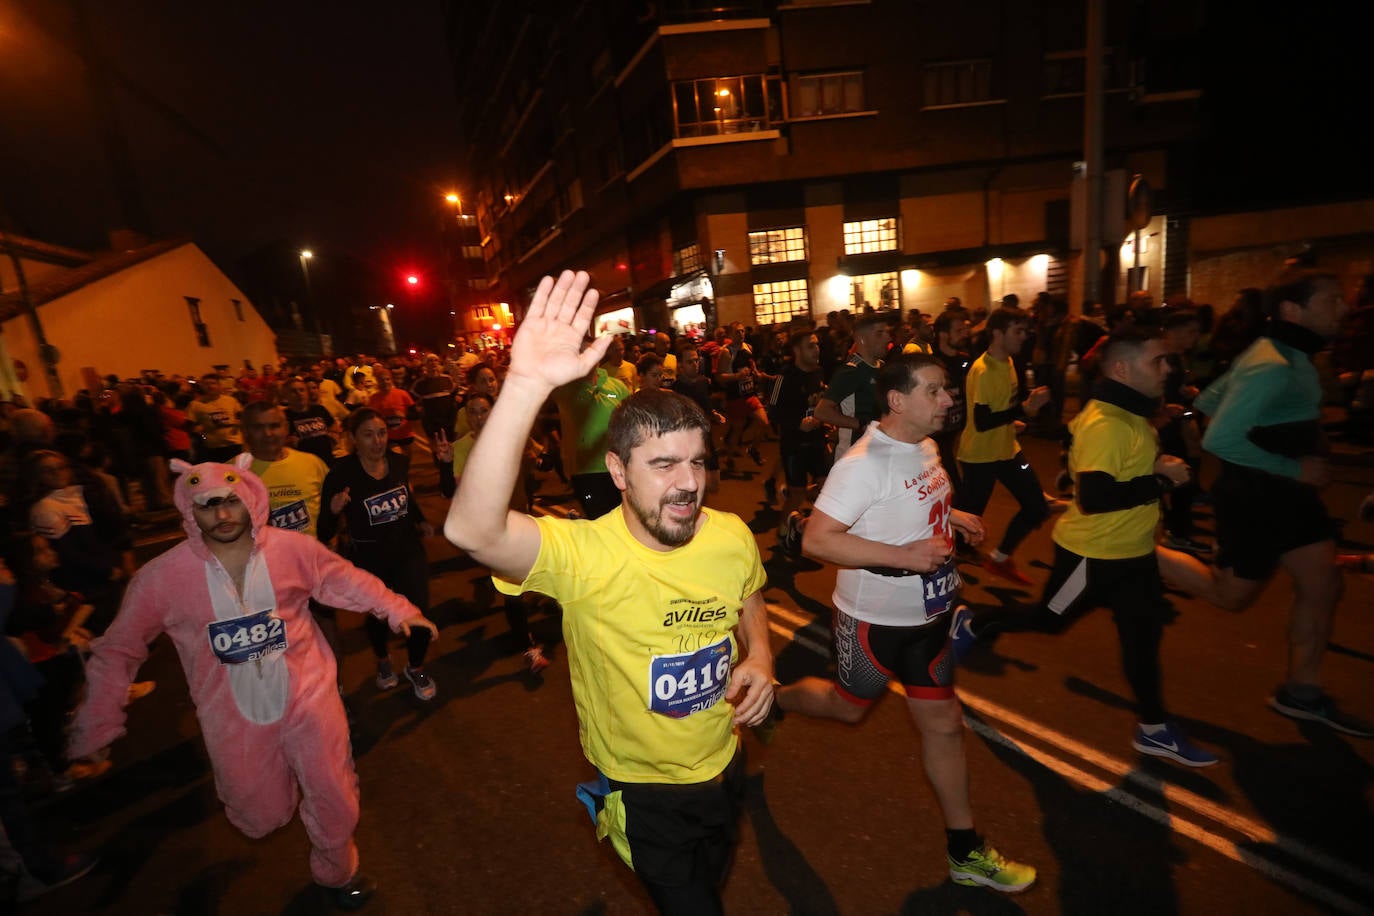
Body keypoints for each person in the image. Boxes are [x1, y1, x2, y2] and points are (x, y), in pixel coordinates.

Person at [444, 270, 774, 914]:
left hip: (727, 766)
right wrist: (525, 384)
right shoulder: (585, 554)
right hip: (643, 795)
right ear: (618, 471)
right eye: (662, 465)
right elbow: (470, 528)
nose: (686, 485)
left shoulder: (730, 534)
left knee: (714, 883)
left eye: (697, 462)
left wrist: (759, 655)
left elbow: (749, 596)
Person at [67, 460, 437, 910]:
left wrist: (399, 610)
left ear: (251, 498)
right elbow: (119, 649)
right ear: (189, 509)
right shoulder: (161, 579)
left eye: (230, 501)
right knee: (258, 814)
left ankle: (338, 872)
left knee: (335, 797)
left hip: (309, 697)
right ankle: (272, 806)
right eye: (208, 506)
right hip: (232, 718)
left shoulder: (293, 550)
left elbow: (342, 578)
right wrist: (97, 723)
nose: (222, 515)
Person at [776, 353, 1036, 894]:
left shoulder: (925, 446)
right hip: (874, 624)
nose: (949, 400)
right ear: (898, 401)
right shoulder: (863, 464)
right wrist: (902, 557)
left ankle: (965, 851)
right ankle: (773, 702)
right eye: (936, 391)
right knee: (847, 710)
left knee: (944, 725)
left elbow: (913, 504)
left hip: (932, 616)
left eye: (947, 390)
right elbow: (818, 539)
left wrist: (953, 515)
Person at [951, 328, 1219, 766]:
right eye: (1157, 361)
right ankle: (974, 624)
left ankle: (1153, 729)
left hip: (1134, 554)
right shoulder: (1107, 422)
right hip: (1091, 557)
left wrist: (1155, 462)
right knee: (1048, 620)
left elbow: (1123, 470)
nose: (1167, 368)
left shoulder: (1130, 415)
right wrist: (1161, 479)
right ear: (1122, 369)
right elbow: (1096, 498)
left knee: (1143, 637)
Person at [1157, 272, 1371, 736]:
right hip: (1257, 496)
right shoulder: (1272, 361)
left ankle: (1302, 692)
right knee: (1230, 595)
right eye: (1332, 300)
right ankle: (1136, 552)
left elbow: (1212, 396)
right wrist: (1297, 468)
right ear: (1294, 311)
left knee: (1324, 583)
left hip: (1289, 496)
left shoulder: (1282, 354)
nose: (1344, 308)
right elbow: (1222, 437)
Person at [318, 409, 438, 701]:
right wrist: (333, 512)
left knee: (418, 611)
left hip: (408, 551)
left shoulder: (399, 461)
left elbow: (406, 495)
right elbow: (324, 530)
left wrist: (420, 519)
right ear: (353, 439)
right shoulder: (341, 474)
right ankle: (383, 661)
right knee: (378, 616)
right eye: (368, 434)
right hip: (369, 558)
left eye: (382, 433)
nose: (377, 441)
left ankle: (415, 666)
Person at [957, 308, 1052, 586]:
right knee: (965, 522)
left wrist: (1019, 415)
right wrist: (1022, 409)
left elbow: (1003, 407)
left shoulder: (1009, 361)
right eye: (1018, 331)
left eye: (1025, 331)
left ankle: (999, 559)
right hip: (980, 455)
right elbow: (984, 421)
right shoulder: (983, 370)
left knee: (1036, 507)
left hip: (1006, 449)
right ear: (998, 333)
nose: (1024, 337)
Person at [767, 330, 831, 553]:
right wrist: (797, 423)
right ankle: (783, 534)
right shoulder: (784, 378)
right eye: (810, 346)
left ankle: (803, 521)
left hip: (817, 440)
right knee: (796, 496)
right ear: (797, 351)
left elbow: (822, 402)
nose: (817, 350)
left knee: (828, 488)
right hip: (794, 444)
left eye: (817, 345)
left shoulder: (819, 372)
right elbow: (772, 412)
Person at [813, 312, 889, 463]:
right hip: (853, 455)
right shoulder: (851, 371)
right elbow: (822, 412)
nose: (888, 338)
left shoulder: (884, 367)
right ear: (862, 338)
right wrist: (862, 425)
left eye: (887, 332)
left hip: (878, 451)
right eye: (880, 333)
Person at [186, 373, 243, 463]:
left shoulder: (230, 400)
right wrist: (201, 430)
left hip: (234, 444)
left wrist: (239, 422)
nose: (210, 386)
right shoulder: (195, 404)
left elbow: (241, 416)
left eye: (213, 383)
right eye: (206, 384)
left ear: (219, 385)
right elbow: (189, 426)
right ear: (202, 386)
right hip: (213, 448)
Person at [282, 377, 339, 467]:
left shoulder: (319, 409)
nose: (299, 394)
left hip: (327, 461)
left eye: (301, 390)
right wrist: (287, 442)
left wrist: (334, 435)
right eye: (293, 391)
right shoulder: (283, 416)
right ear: (286, 396)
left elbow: (333, 426)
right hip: (302, 465)